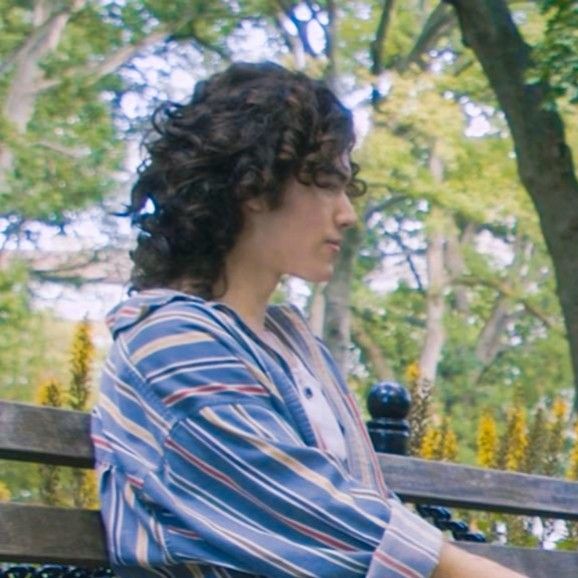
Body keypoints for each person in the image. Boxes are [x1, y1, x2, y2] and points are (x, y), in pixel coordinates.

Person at [92, 62, 527, 578]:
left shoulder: (292, 348)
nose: (347, 213)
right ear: (251, 186)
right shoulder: (169, 344)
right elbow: (301, 507)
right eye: (325, 183)